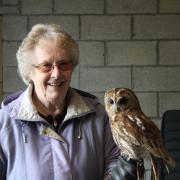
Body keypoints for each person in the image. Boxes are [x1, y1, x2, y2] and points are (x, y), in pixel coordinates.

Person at [0, 23, 137, 180]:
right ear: (29, 72)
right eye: (46, 66)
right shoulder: (4, 122)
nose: (57, 74)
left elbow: (114, 165)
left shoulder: (100, 117)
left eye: (63, 64)